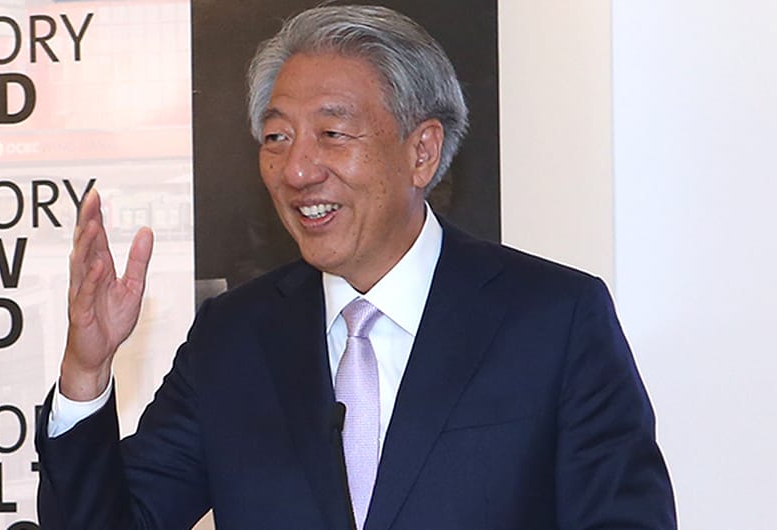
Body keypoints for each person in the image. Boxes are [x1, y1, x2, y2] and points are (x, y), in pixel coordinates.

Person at [36, 5, 676, 529]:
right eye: (277, 136)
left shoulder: (553, 320)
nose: (297, 170)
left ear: (422, 152)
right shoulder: (234, 338)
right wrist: (85, 371)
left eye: (332, 135)